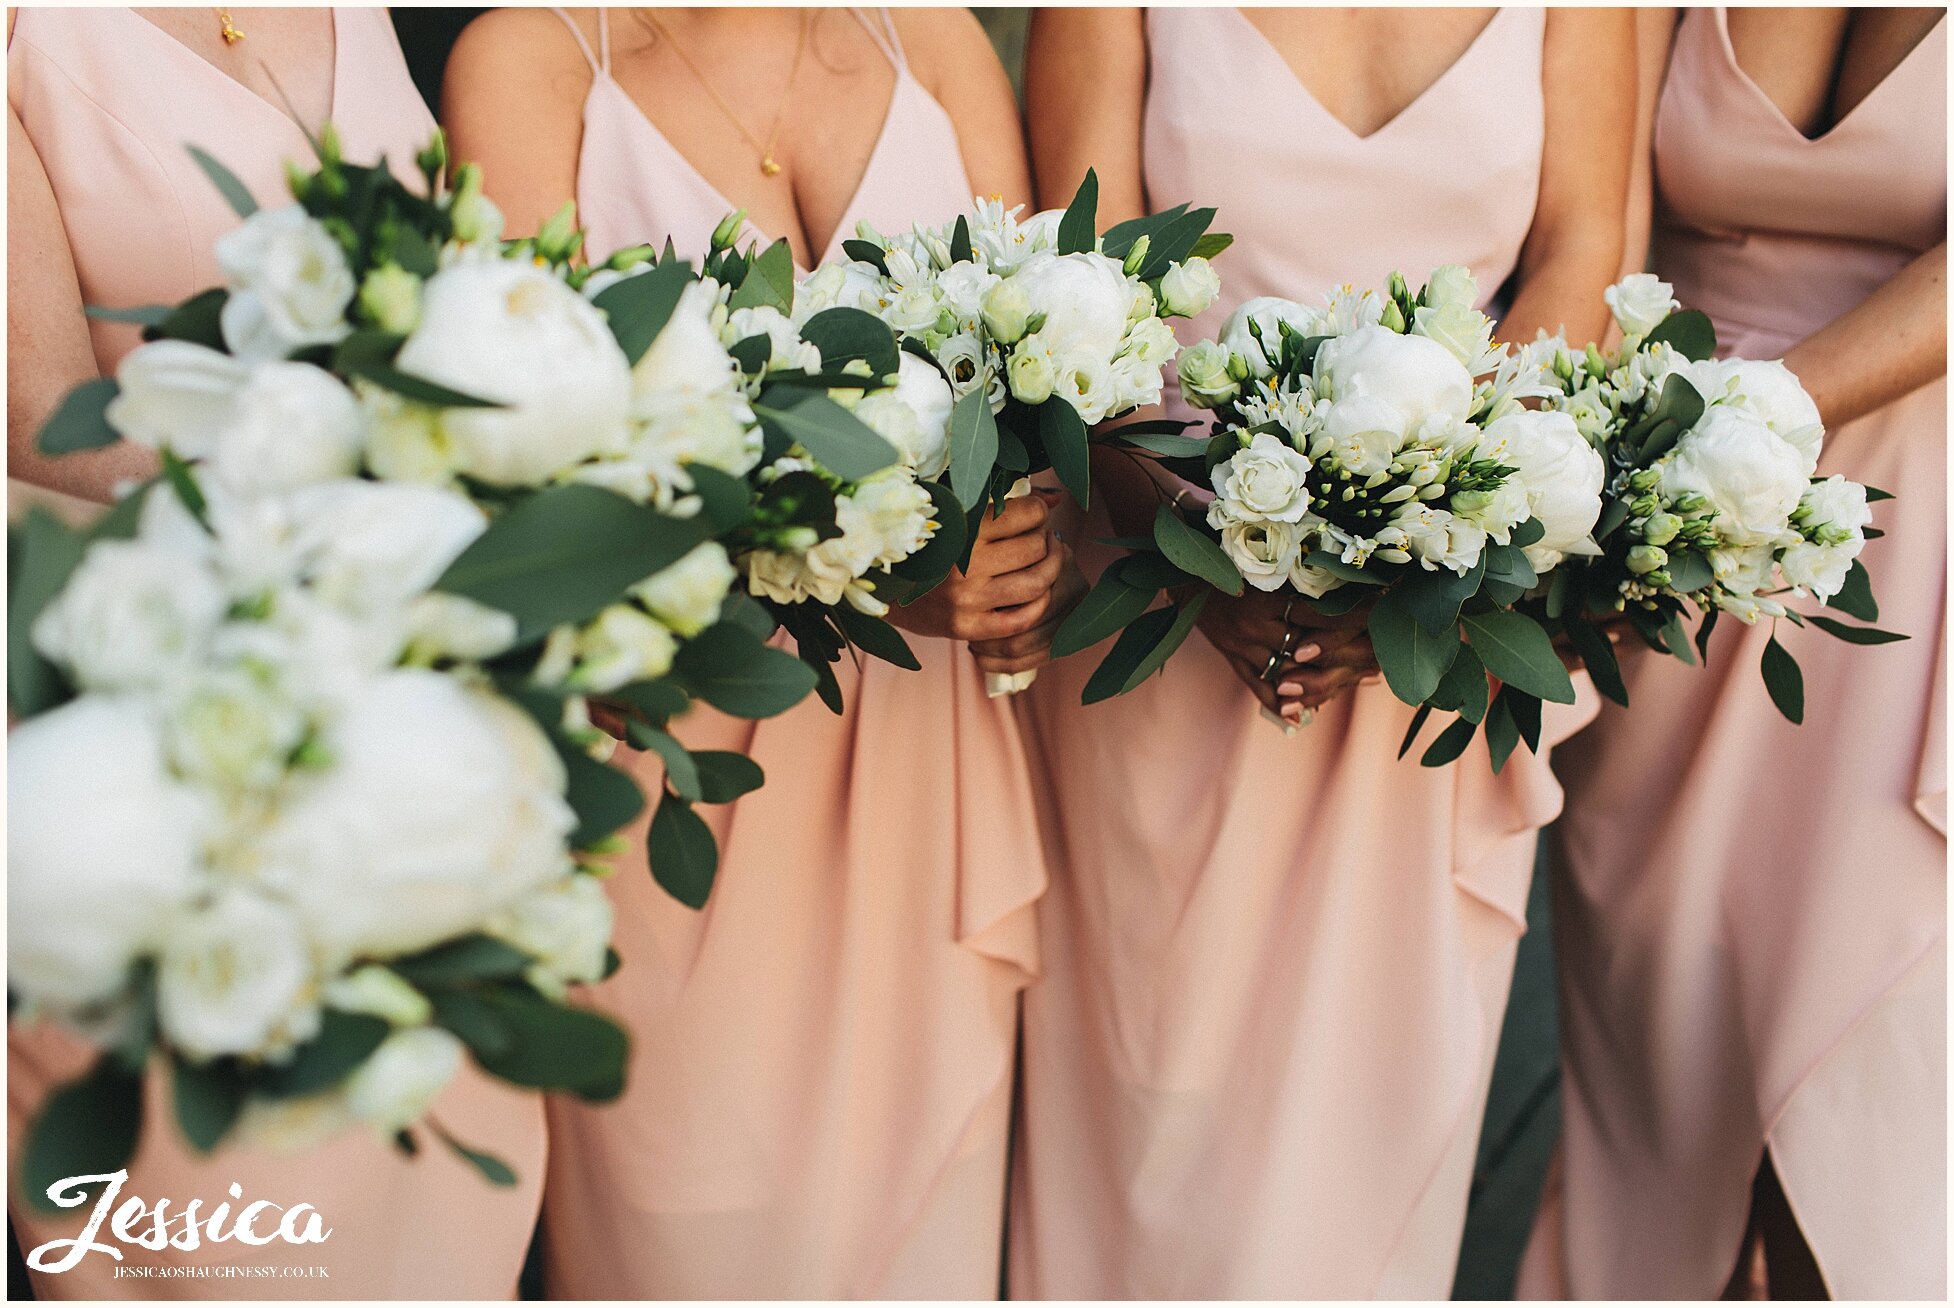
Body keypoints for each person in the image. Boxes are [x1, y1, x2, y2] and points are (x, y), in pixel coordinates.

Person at [442, 8, 1071, 1295]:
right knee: (693, 1235)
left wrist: (1023, 548)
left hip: (924, 787)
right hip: (677, 793)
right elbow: (520, 495)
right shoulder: (532, 60)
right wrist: (885, 574)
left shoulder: (930, 40)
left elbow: (1031, 386)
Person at [1010, 7, 1632, 1296]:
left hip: (1425, 651)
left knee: (1370, 1135)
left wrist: (1432, 549)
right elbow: (1077, 300)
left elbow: (1582, 257)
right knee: (1151, 1133)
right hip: (1165, 619)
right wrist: (1200, 539)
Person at [7, 7, 546, 1297]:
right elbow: (35, 427)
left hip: (425, 718)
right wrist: (358, 510)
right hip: (174, 734)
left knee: (446, 1185)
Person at [1521, 8, 1947, 1298]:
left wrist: (1770, 413)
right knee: (1666, 1081)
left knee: (1868, 1091)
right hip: (1667, 566)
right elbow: (1600, 212)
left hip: (1912, 546)